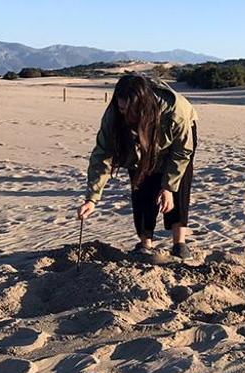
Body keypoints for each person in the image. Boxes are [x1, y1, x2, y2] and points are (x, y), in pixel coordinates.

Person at [77, 74, 198, 259]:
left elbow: (181, 153)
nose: (126, 114)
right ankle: (145, 242)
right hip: (138, 140)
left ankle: (179, 243)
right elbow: (102, 155)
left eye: (131, 110)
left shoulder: (175, 110)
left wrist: (167, 187)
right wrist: (91, 198)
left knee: (178, 185)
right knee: (141, 181)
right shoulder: (114, 118)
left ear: (144, 105)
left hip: (178, 142)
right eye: (122, 108)